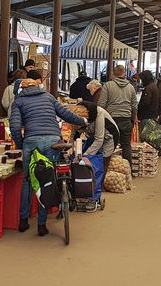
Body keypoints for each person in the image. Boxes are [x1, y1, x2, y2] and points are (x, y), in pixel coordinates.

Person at [10, 78, 85, 236]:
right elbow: (66, 114)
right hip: (52, 141)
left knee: (28, 180)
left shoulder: (18, 101)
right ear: (38, 86)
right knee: (46, 181)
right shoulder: (49, 97)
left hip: (31, 142)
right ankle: (42, 225)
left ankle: (23, 221)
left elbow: (15, 126)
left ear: (21, 89)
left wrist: (20, 143)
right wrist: (82, 120)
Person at [98, 65, 138, 165]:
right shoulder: (131, 87)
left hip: (111, 120)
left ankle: (109, 168)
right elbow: (134, 106)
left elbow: (101, 104)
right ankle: (128, 169)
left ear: (113, 74)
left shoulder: (107, 85)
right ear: (124, 73)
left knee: (109, 145)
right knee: (126, 146)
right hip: (126, 119)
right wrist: (132, 120)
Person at [73, 101, 119, 173]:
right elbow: (75, 132)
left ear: (86, 118)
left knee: (102, 164)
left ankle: (99, 183)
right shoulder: (80, 116)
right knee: (93, 162)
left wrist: (86, 155)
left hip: (110, 138)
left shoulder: (99, 113)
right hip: (96, 138)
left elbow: (99, 139)